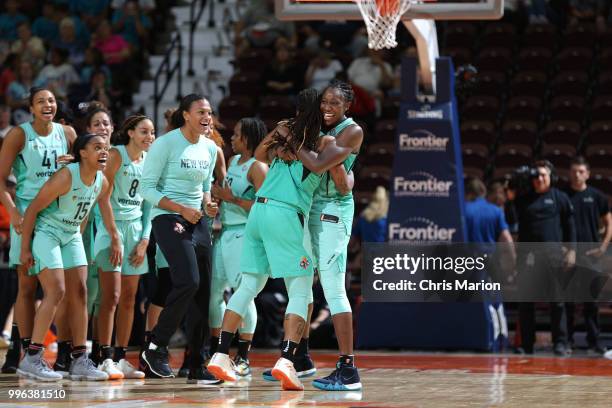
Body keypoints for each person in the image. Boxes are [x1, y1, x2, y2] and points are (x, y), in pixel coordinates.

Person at [208, 88, 354, 391]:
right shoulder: (324, 141)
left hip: (257, 213)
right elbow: (334, 179)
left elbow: (258, 156)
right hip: (286, 213)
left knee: (248, 284)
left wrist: (284, 138)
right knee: (300, 289)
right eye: (324, 104)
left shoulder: (284, 130)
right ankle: (289, 359)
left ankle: (222, 354)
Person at [18, 133, 121, 381]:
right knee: (56, 291)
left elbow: (104, 205)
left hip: (71, 234)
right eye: (97, 147)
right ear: (82, 153)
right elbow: (32, 209)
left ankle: (79, 360)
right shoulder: (66, 175)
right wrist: (25, 248)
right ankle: (31, 358)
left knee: (81, 294)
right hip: (48, 232)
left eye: (105, 148)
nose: (104, 151)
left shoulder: (102, 181)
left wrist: (114, 235)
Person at [139, 94, 218, 382]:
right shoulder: (165, 143)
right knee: (189, 281)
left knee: (204, 292)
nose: (206, 116)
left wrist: (208, 205)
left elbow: (206, 186)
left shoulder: (210, 148)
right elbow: (146, 189)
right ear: (186, 115)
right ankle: (156, 345)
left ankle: (196, 364)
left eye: (209, 112)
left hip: (197, 220)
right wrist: (180, 208)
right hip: (168, 216)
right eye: (200, 111)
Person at [0, 88, 76, 375]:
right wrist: (14, 212)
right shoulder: (19, 135)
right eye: (41, 101)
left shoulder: (67, 134)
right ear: (31, 108)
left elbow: (80, 171)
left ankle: (43, 353)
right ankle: (20, 350)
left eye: (52, 101)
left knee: (57, 288)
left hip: (58, 217)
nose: (48, 105)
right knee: (27, 286)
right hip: (27, 216)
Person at [93, 115, 154, 379]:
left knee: (130, 297)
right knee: (112, 297)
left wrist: (144, 240)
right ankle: (103, 356)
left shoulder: (149, 162)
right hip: (112, 228)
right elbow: (102, 195)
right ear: (129, 133)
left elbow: (150, 206)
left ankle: (120, 357)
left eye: (152, 133)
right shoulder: (116, 155)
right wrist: (113, 235)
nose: (149, 137)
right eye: (144, 131)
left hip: (136, 231)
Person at [209, 117, 268, 377]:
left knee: (244, 294)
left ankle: (243, 357)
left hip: (244, 234)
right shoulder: (233, 162)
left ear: (248, 138)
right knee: (213, 294)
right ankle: (216, 351)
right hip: (225, 232)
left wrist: (230, 198)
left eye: (236, 135)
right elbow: (224, 197)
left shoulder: (258, 168)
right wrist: (216, 203)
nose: (231, 139)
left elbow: (264, 207)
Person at [510, 160, 576, 356]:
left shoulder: (560, 198)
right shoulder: (523, 199)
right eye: (535, 176)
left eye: (543, 175)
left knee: (557, 301)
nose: (539, 179)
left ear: (551, 177)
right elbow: (510, 210)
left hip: (553, 257)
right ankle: (527, 344)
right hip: (527, 258)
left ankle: (560, 343)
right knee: (526, 303)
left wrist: (571, 251)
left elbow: (570, 227)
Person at [565, 156, 611, 355]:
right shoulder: (563, 196)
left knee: (590, 302)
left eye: (581, 171)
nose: (577, 175)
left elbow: (610, 223)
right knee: (567, 300)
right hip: (568, 255)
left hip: (591, 254)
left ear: (588, 174)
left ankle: (594, 342)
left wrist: (602, 248)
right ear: (569, 173)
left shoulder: (598, 197)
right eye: (574, 171)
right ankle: (566, 342)